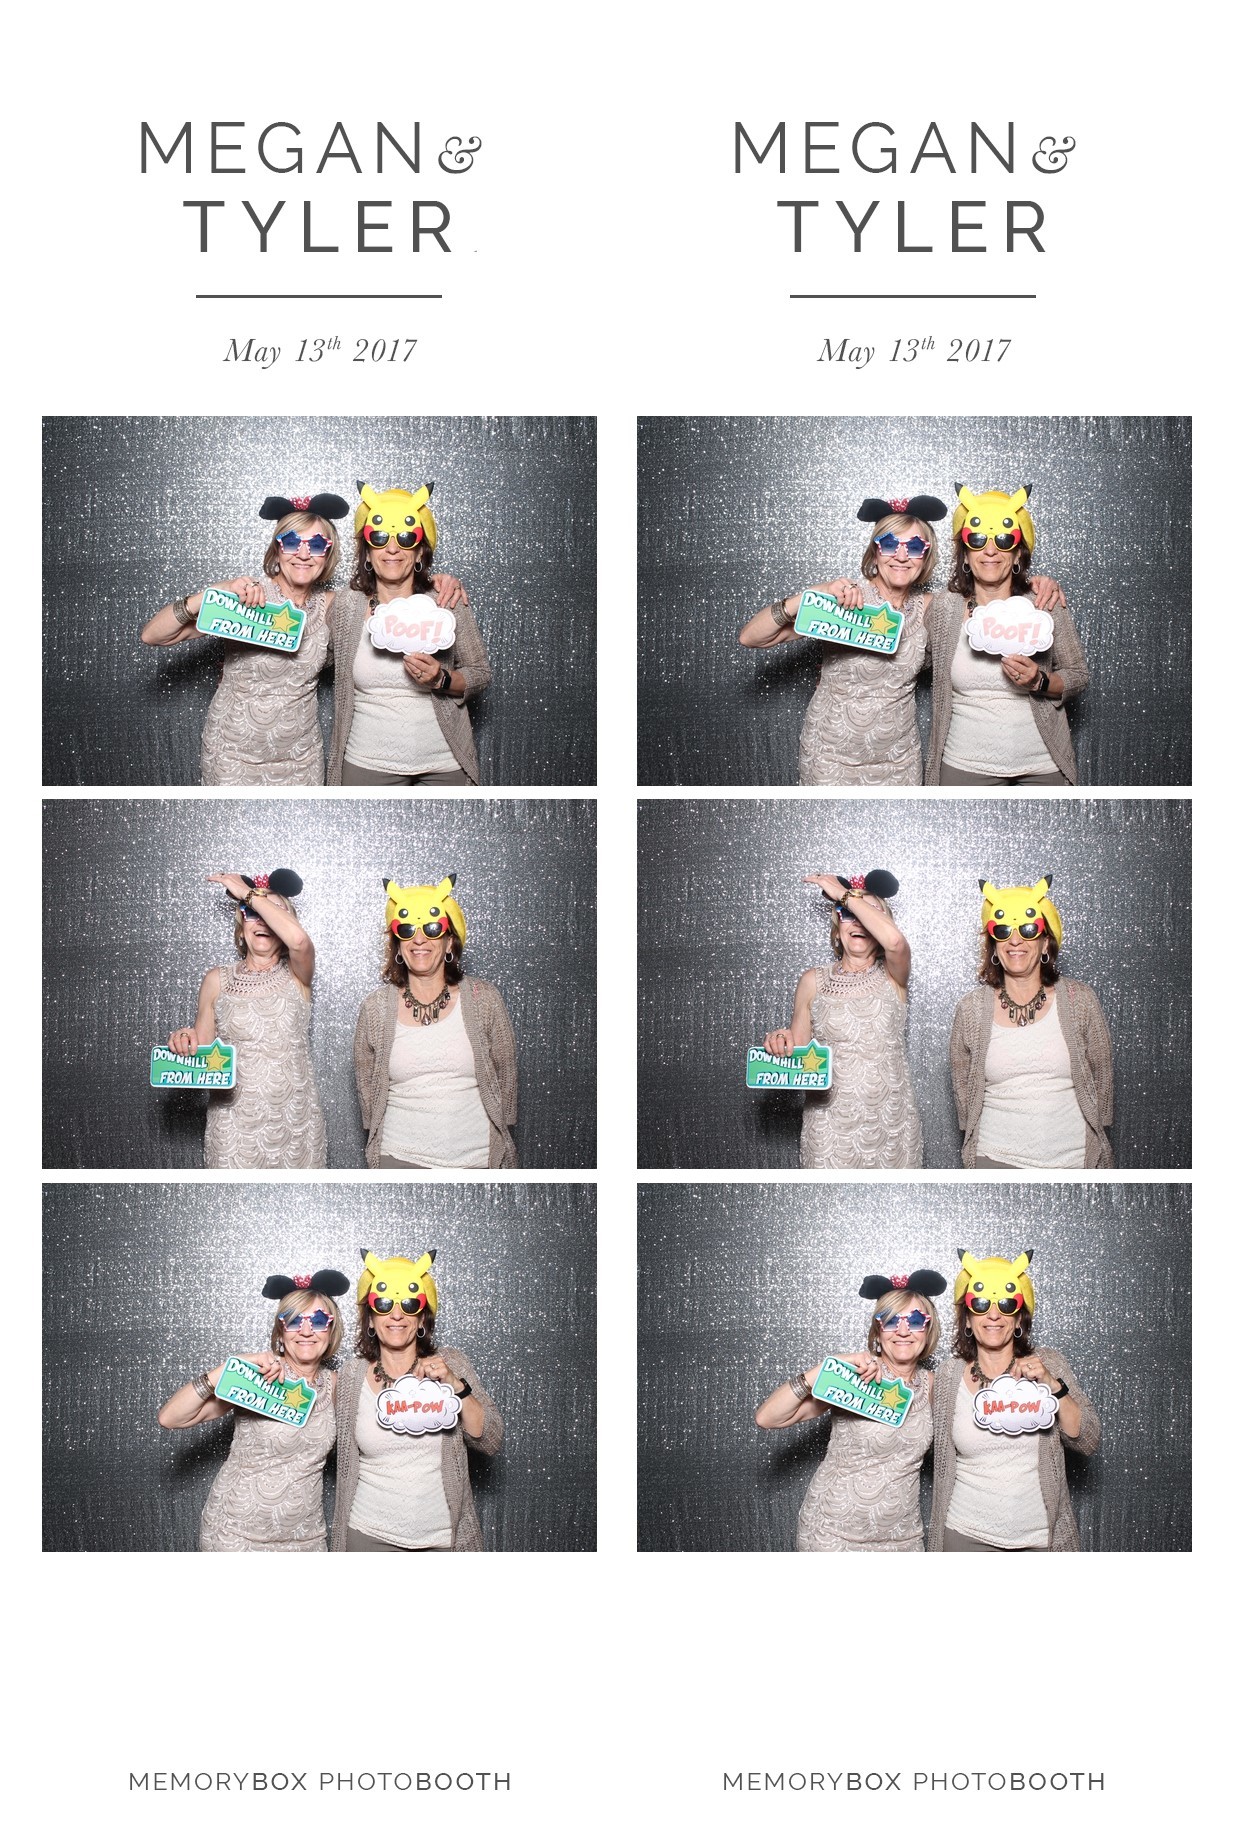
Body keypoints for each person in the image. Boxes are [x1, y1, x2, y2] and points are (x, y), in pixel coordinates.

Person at [140, 492, 465, 786]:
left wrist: (435, 582)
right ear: (277, 548)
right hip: (233, 755)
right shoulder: (249, 597)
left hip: (301, 759)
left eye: (318, 545)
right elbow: (154, 635)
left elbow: (390, 594)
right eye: (292, 542)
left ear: (328, 554)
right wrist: (212, 594)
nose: (304, 554)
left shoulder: (336, 606)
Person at [739, 493, 1064, 786]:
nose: (902, 556)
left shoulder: (933, 609)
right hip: (831, 757)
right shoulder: (847, 599)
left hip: (899, 760)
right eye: (890, 544)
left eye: (915, 547)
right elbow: (752, 637)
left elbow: (988, 599)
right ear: (875, 551)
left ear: (926, 556)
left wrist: (1034, 585)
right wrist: (812, 595)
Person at [157, 1267, 348, 1551]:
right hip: (236, 1535)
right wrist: (226, 1369)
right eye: (294, 1321)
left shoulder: (337, 1385)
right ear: (280, 1331)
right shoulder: (259, 1376)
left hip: (306, 1538)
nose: (306, 1330)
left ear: (330, 1330)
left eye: (318, 1320)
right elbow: (170, 1417)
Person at [756, 1268, 946, 1551]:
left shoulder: (934, 1385)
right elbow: (767, 1417)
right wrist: (824, 1369)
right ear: (878, 1330)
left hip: (903, 1538)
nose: (903, 1331)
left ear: (928, 1330)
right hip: (833, 1535)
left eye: (916, 1320)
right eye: (891, 1320)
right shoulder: (856, 1376)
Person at [927, 1251, 1100, 1551]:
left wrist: (1051, 1385)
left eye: (1006, 1305)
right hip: (964, 1535)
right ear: (967, 1319)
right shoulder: (948, 1377)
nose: (993, 1315)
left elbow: (1087, 1440)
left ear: (1019, 1318)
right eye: (981, 1304)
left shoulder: (1049, 1364)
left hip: (1039, 1540)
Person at [331, 1250, 503, 1552]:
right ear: (370, 1319)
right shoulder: (350, 1377)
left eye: (409, 1305)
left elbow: (490, 1439)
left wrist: (454, 1385)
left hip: (442, 1541)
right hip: (367, 1536)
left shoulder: (452, 1364)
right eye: (384, 1304)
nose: (396, 1315)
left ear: (422, 1318)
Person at [326, 482, 491, 785]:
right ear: (367, 553)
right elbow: (310, 656)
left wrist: (441, 679)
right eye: (380, 538)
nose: (392, 549)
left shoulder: (446, 601)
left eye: (405, 538)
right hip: (367, 762)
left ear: (419, 554)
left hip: (444, 764)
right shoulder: (346, 606)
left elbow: (480, 673)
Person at [925, 485, 1089, 785]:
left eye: (1003, 540)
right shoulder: (943, 609)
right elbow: (906, 656)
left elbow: (1078, 675)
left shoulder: (1044, 603)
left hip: (1042, 766)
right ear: (965, 555)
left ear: (1017, 556)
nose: (990, 551)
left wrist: (1040, 681)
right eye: (978, 540)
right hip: (964, 764)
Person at [165, 868, 327, 1168]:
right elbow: (203, 1053)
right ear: (241, 929)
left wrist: (246, 895)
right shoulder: (216, 980)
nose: (262, 920)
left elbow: (299, 942)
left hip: (295, 1124)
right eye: (252, 913)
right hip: (233, 1127)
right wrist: (185, 1041)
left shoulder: (298, 974)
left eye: (271, 913)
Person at [353, 873, 518, 1168]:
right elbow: (366, 1083)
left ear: (450, 941)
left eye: (432, 928)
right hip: (399, 1158)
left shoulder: (484, 998)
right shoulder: (375, 1008)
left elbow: (505, 1074)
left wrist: (501, 1143)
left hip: (479, 1161)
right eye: (407, 930)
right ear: (398, 945)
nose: (419, 939)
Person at [949, 875, 1114, 1168]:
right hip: (995, 1159)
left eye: (1028, 929)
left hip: (1075, 1162)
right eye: (1003, 931)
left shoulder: (1081, 999)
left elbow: (1102, 1076)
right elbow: (963, 1085)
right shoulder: (971, 1009)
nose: (1015, 941)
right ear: (994, 946)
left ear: (1046, 942)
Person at [762, 871, 922, 1168]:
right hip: (829, 1128)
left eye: (868, 914)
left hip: (891, 1125)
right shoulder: (812, 981)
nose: (858, 922)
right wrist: (780, 1042)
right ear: (837, 930)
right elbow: (798, 1054)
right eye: (848, 914)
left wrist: (842, 896)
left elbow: (895, 942)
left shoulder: (894, 975)